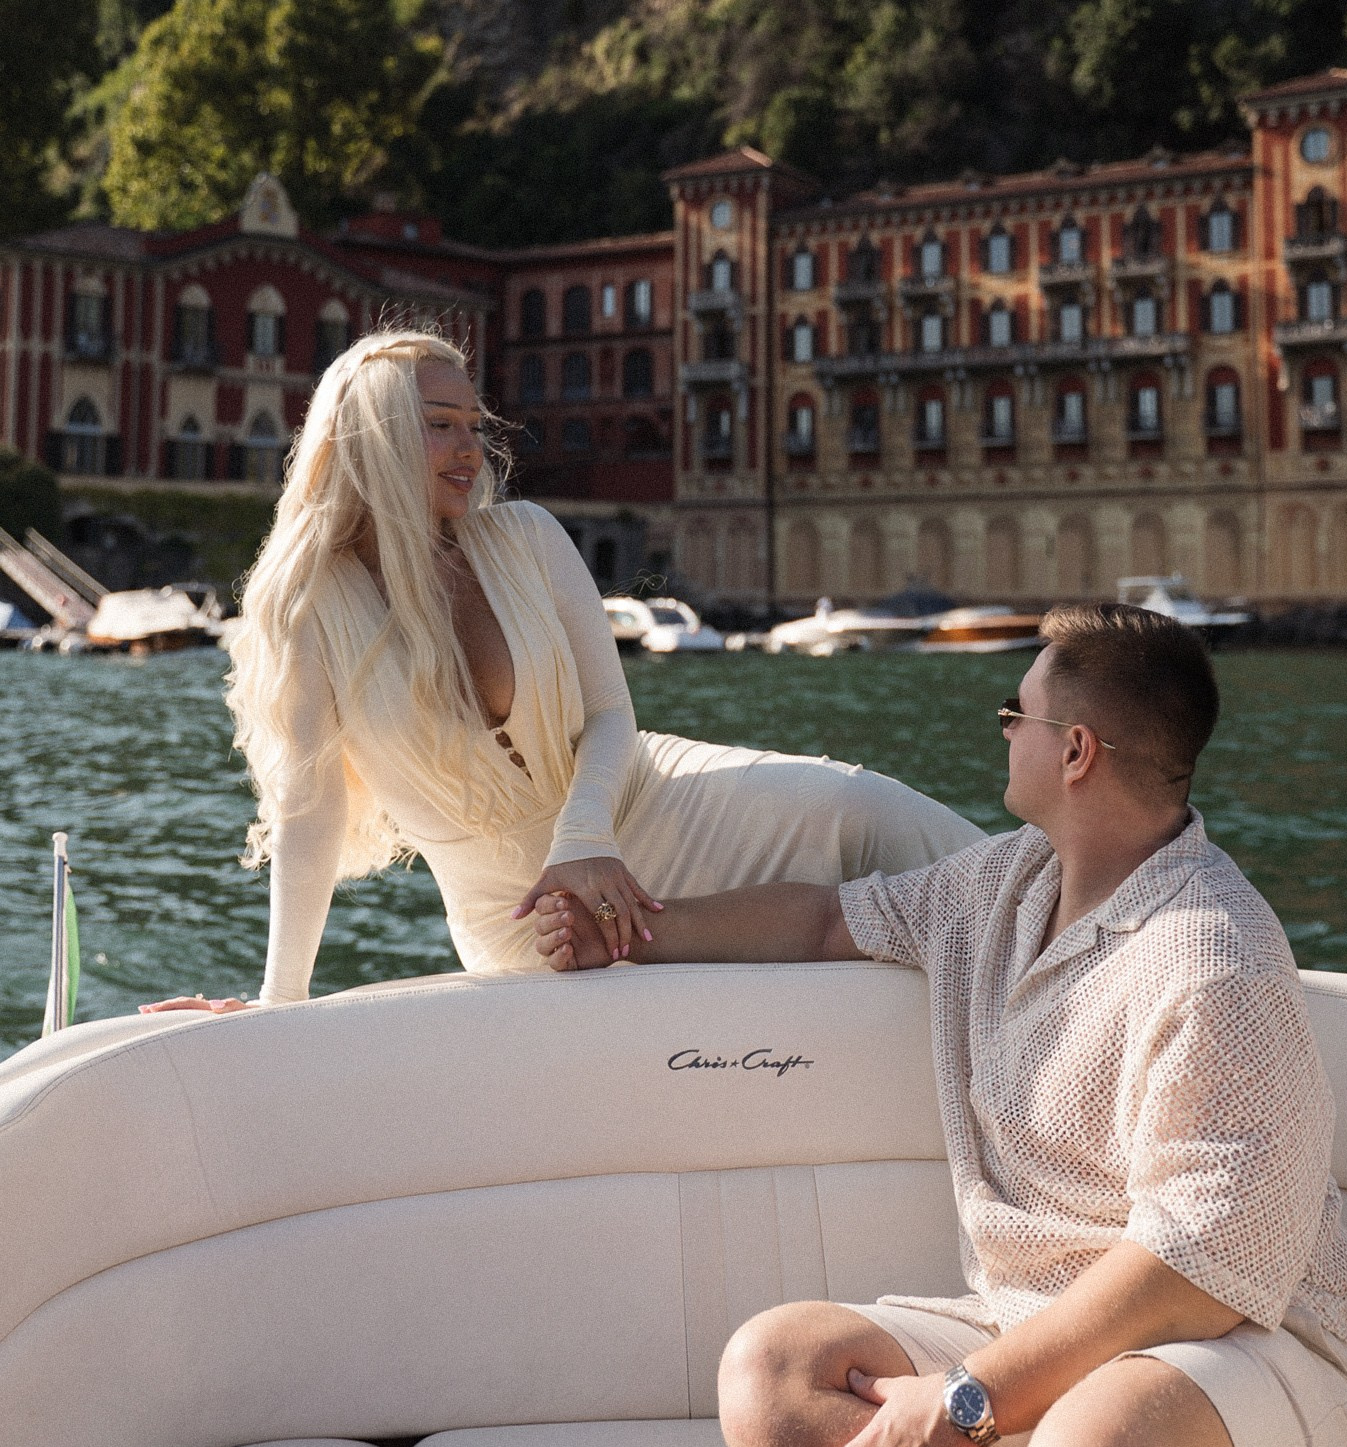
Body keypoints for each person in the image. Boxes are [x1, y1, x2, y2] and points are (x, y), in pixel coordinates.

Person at [533, 603, 1347, 1447]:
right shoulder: (1002, 886)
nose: (1005, 734)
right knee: (776, 1377)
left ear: (1077, 751)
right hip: (1049, 1330)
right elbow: (824, 919)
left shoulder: (1213, 954)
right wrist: (630, 930)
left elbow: (1197, 1272)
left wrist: (969, 1404)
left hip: (1274, 1353)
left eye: (1018, 714)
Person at [141, 328, 978, 1016]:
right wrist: (279, 998)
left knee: (866, 813)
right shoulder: (308, 602)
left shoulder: (529, 537)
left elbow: (612, 714)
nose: (470, 447)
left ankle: (1069, 914)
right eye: (441, 424)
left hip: (643, 802)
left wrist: (585, 838)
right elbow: (310, 807)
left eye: (475, 423)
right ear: (372, 434)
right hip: (517, 916)